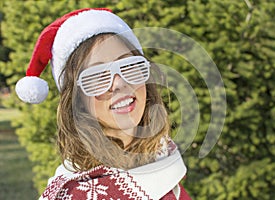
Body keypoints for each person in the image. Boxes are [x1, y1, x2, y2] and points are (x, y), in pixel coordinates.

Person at [15, 8, 191, 200]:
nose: (119, 83)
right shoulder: (76, 194)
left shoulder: (162, 157)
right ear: (76, 102)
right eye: (97, 77)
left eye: (129, 66)